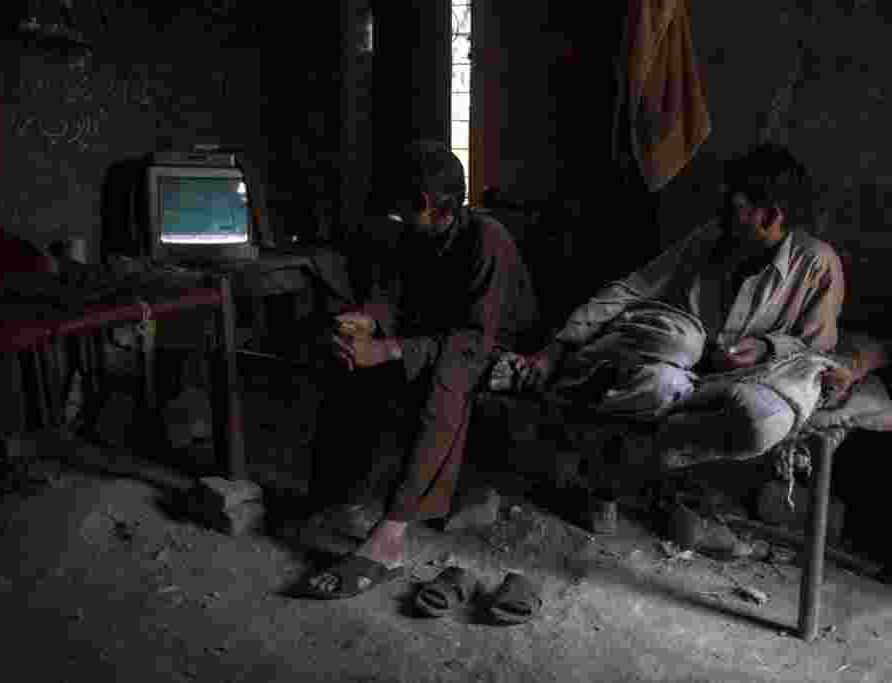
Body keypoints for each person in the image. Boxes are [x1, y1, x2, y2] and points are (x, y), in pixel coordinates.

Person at [297, 140, 539, 600]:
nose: (395, 217)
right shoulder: (415, 235)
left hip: (492, 348)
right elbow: (397, 300)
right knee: (344, 355)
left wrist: (390, 350)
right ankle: (335, 495)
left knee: (446, 378)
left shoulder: (487, 239)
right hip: (441, 339)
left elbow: (472, 340)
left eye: (400, 208)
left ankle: (390, 535)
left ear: (426, 204)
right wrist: (367, 321)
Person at [517, 142, 851, 474]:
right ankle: (582, 391)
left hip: (739, 383)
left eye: (735, 205)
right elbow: (634, 288)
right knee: (681, 345)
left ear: (771, 216)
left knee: (762, 417)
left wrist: (767, 348)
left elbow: (818, 354)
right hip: (682, 367)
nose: (722, 212)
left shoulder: (817, 265)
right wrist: (557, 346)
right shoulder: (711, 237)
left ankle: (654, 451)